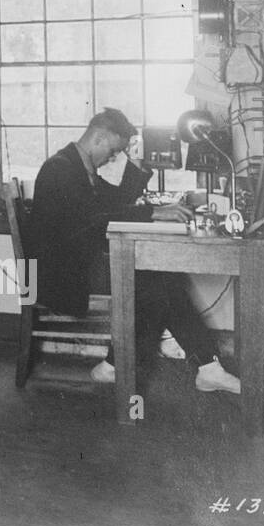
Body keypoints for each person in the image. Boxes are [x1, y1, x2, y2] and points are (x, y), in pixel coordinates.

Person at [25, 107, 240, 393]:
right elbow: (95, 217)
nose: (113, 158)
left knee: (160, 278)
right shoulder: (60, 169)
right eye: (113, 151)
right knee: (156, 283)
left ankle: (201, 367)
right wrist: (153, 213)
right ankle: (190, 367)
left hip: (80, 266)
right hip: (62, 278)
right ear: (99, 137)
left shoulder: (77, 167)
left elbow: (114, 202)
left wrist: (138, 168)